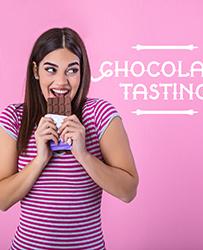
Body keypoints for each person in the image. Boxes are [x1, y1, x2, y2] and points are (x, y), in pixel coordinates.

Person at [0, 27, 139, 250]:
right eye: (51, 70)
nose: (61, 82)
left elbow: (128, 191)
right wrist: (39, 160)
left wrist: (82, 154)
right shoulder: (14, 118)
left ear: (82, 72)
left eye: (72, 70)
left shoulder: (100, 115)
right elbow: (2, 200)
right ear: (36, 71)